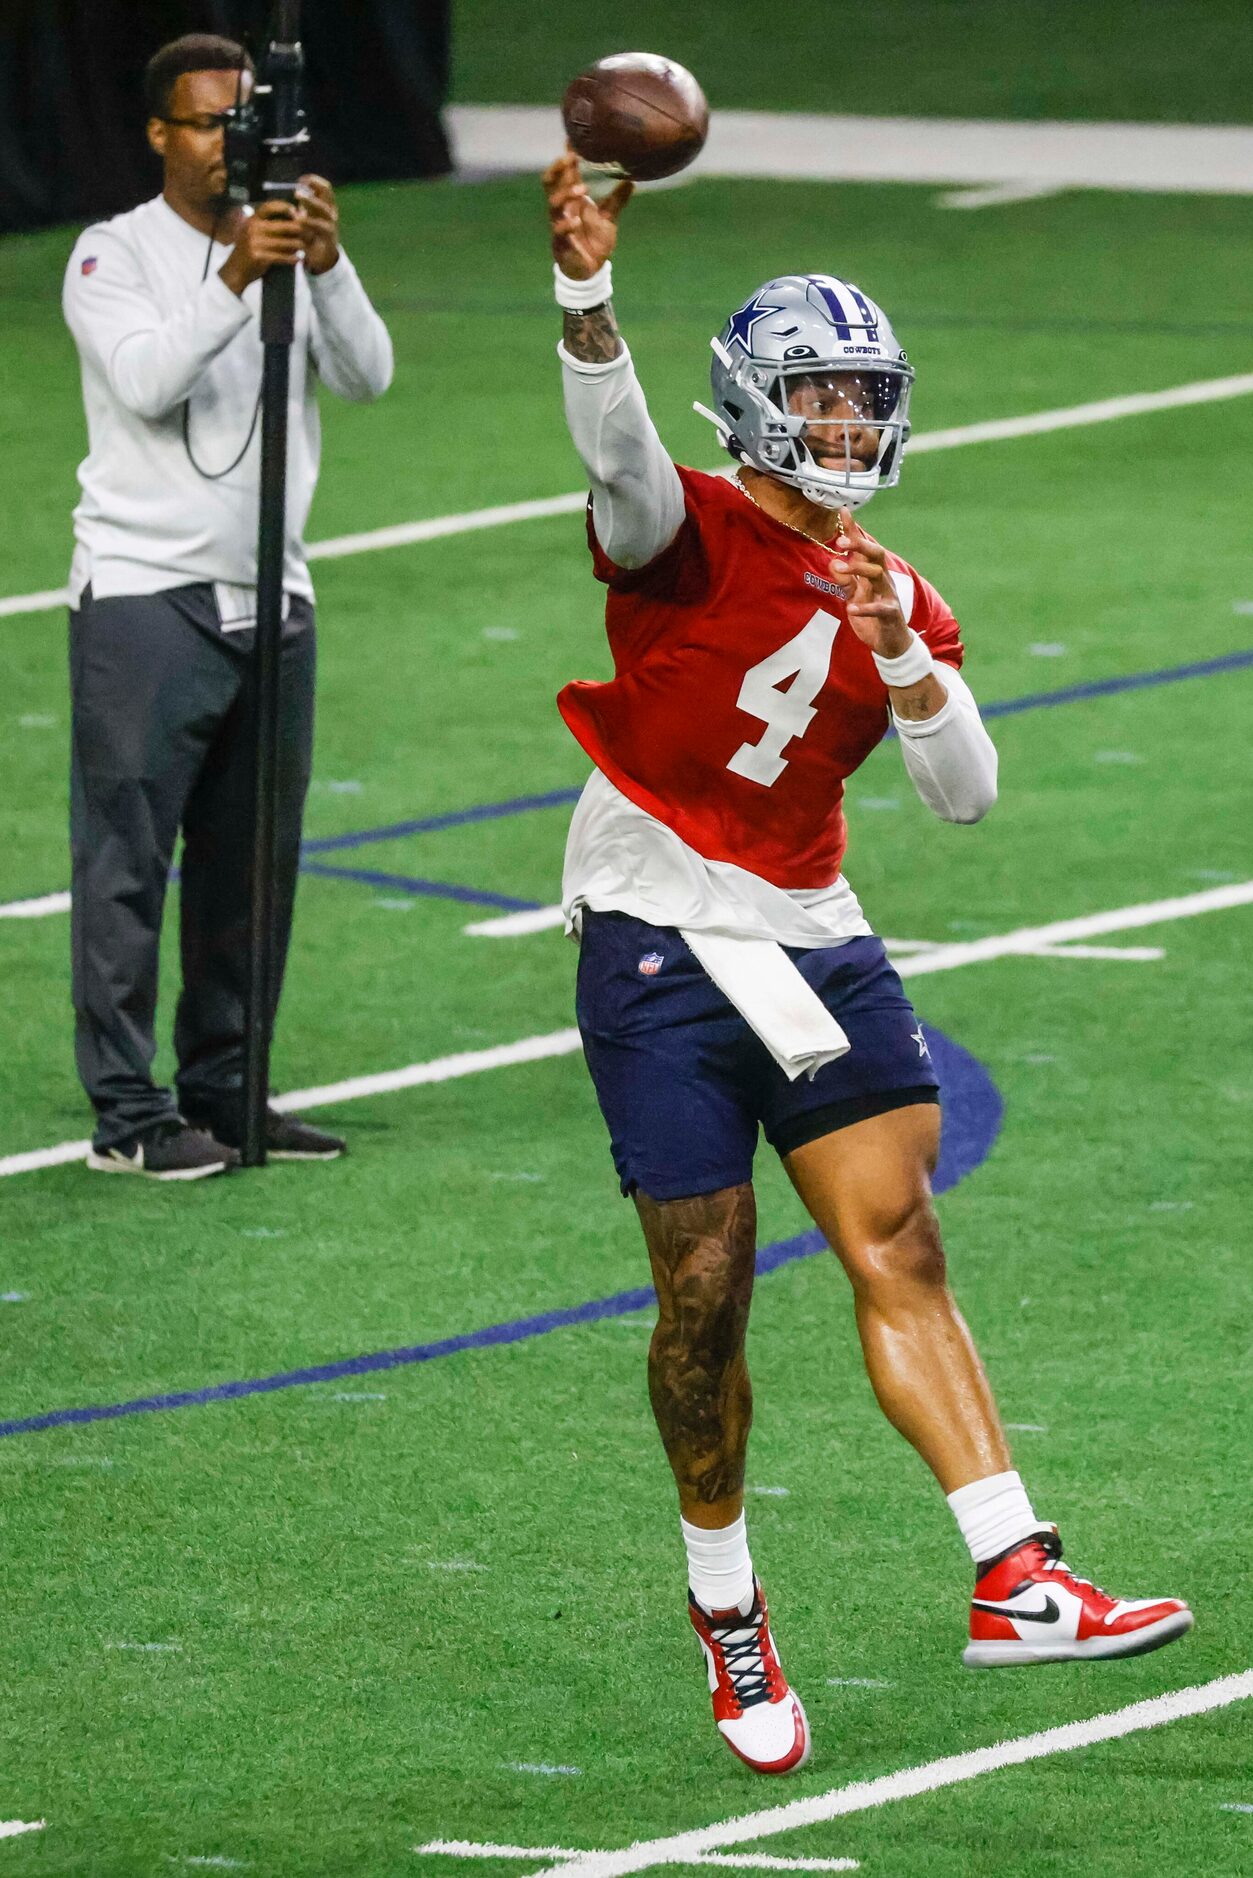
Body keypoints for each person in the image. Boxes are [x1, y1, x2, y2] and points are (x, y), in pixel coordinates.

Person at [541, 150, 1191, 1775]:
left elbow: (963, 795)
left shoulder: (896, 585)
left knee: (897, 1237)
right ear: (758, 408)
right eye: (817, 402)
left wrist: (897, 645)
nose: (844, 429)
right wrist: (584, 299)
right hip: (653, 923)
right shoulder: (679, 530)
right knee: (700, 1288)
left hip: (809, 929)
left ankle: (1012, 1564)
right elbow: (615, 458)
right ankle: (726, 1599)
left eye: (859, 401)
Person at [62, 34, 393, 1180]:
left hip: (276, 589)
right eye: (205, 125)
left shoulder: (289, 251)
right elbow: (150, 380)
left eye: (239, 125)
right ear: (160, 134)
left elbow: (368, 375)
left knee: (252, 865)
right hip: (148, 599)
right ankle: (126, 1114)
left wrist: (329, 266)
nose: (226, 146)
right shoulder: (111, 257)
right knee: (127, 863)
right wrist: (240, 275)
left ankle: (229, 1089)